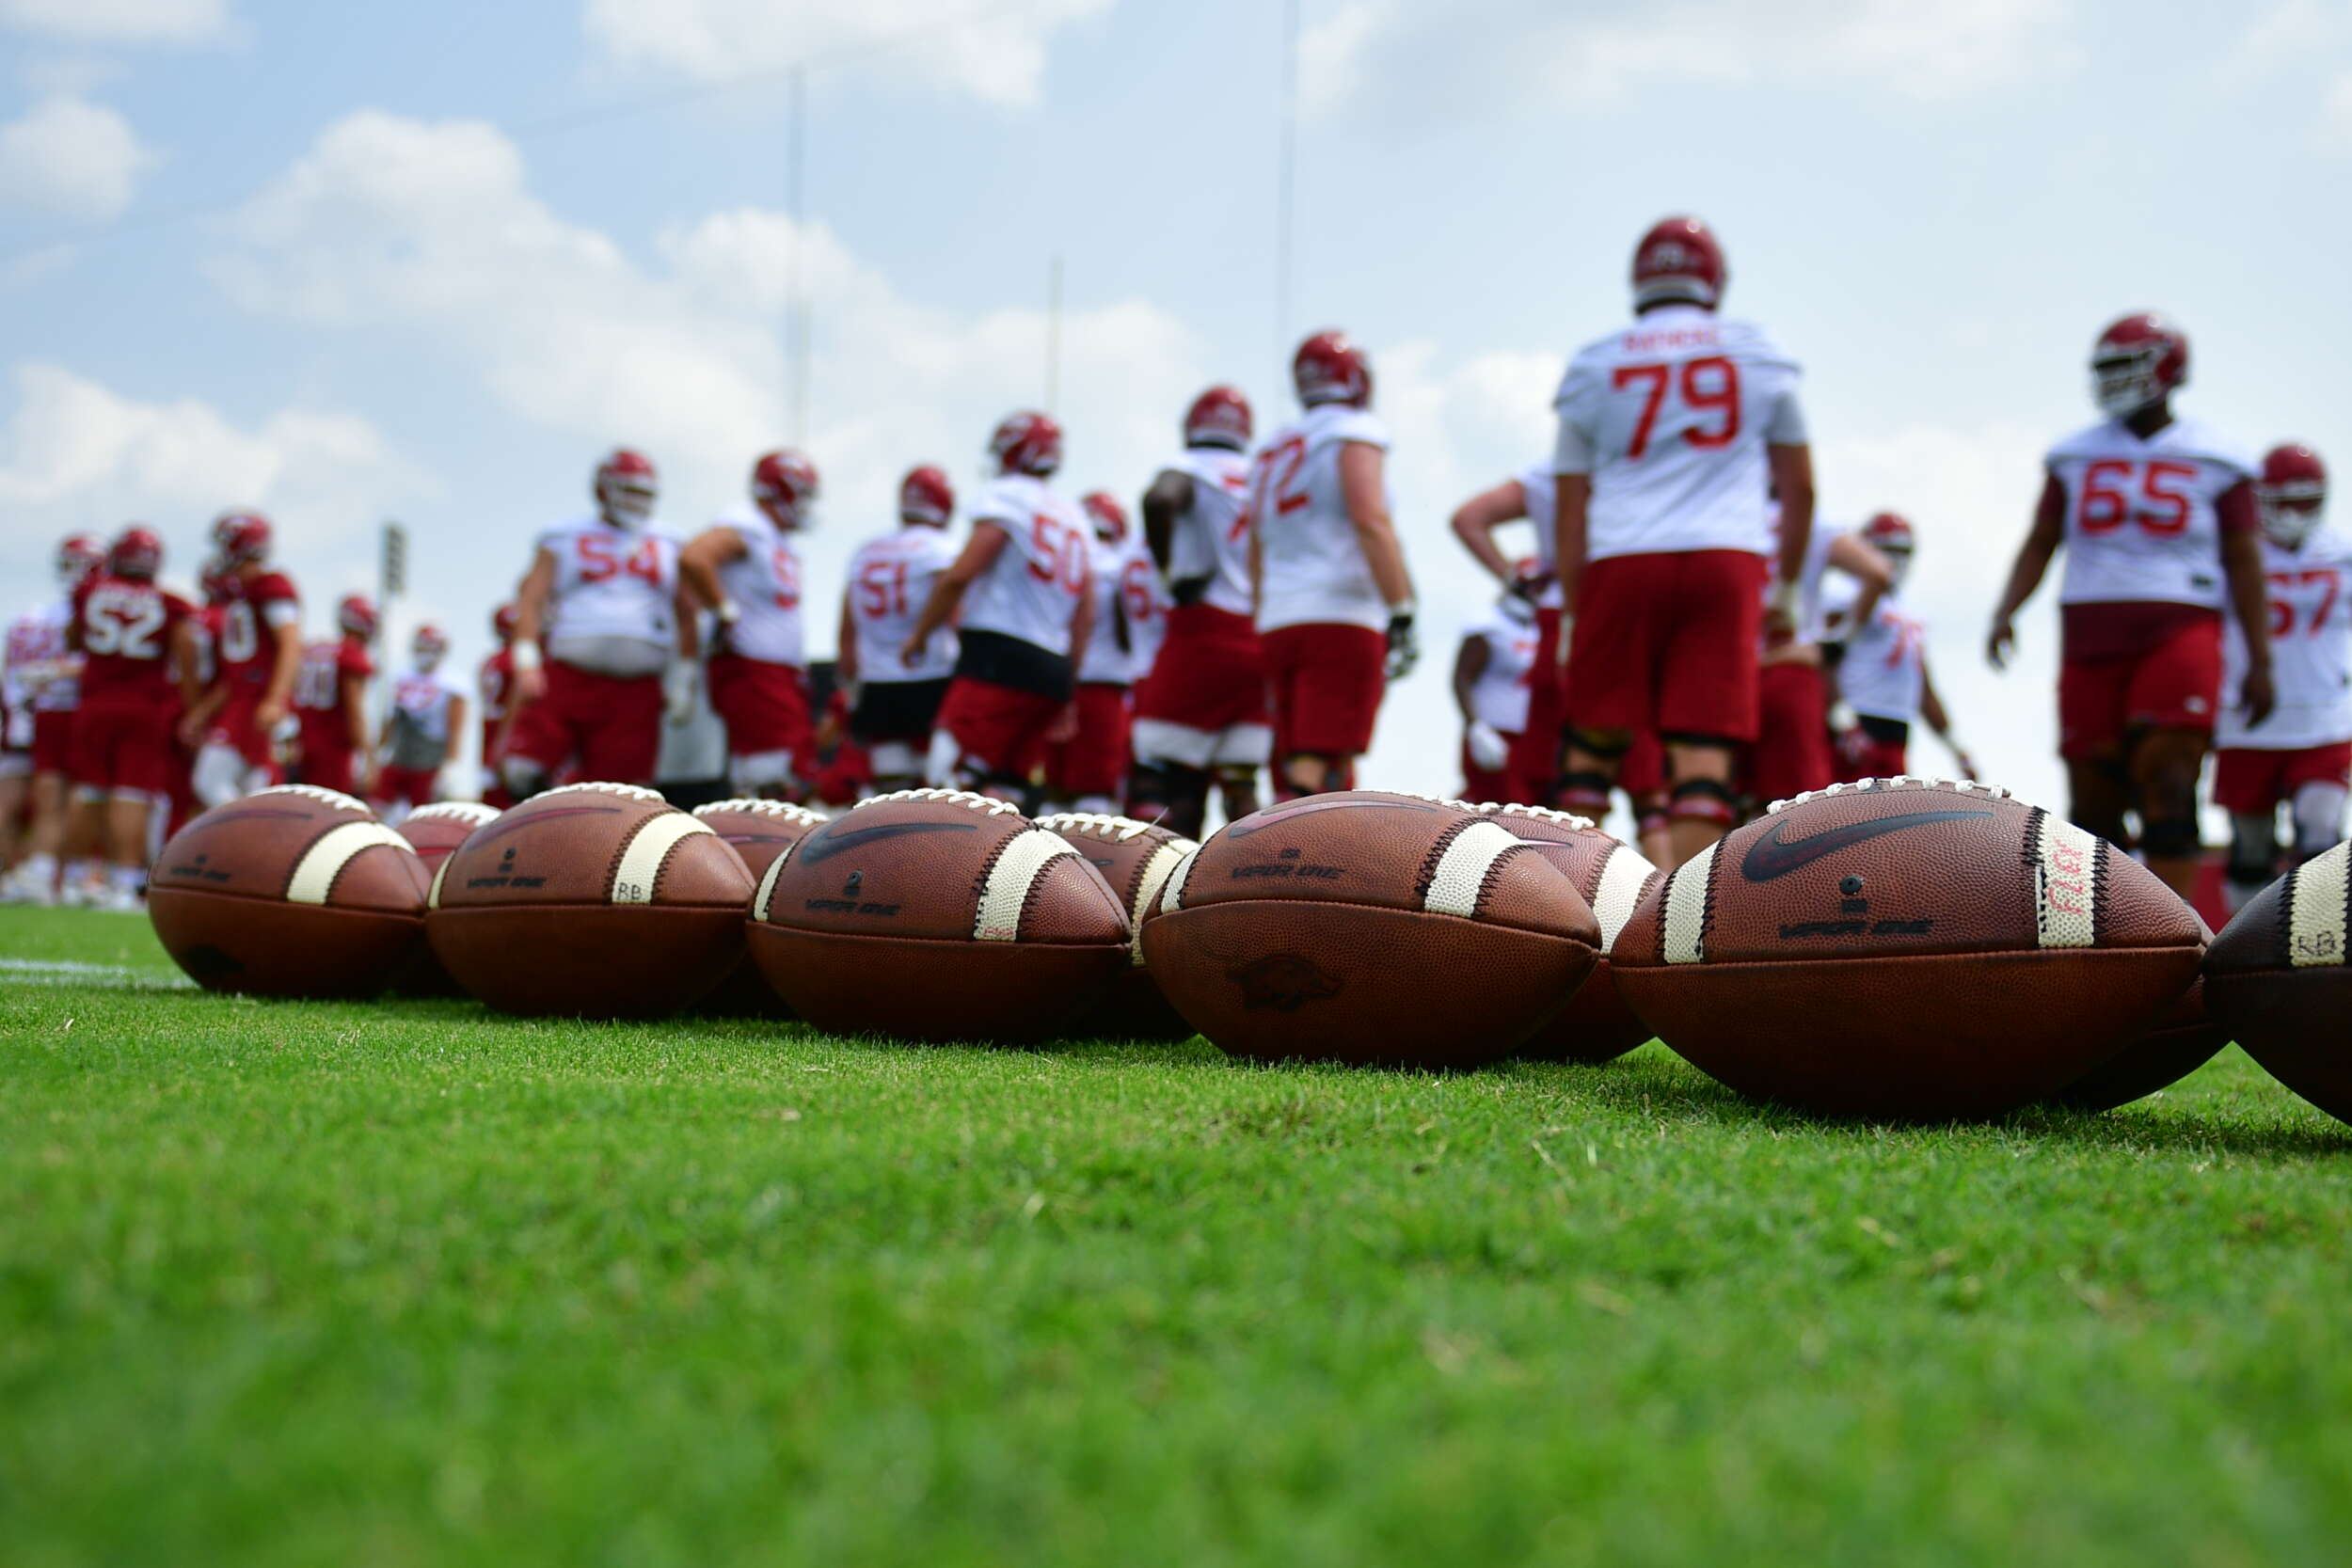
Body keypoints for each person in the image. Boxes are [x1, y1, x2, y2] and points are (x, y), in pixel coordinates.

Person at [1550, 215, 1813, 867]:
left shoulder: (1594, 361)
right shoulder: (1757, 349)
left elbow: (1571, 500)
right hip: (1726, 554)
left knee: (1593, 742)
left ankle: (1562, 902)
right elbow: (1800, 486)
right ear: (1714, 278)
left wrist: (1575, 605)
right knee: (1703, 750)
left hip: (1620, 555)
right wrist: (1784, 590)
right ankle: (1681, 923)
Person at [1987, 313, 2273, 900]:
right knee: (2093, 798)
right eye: (2107, 368)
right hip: (2089, 625)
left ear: (2167, 365)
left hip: (2181, 622)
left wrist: (2261, 661)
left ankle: (2181, 935)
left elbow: (2244, 561)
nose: (2114, 379)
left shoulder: (2220, 457)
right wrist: (2006, 608)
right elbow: (2043, 538)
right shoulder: (2073, 453)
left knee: (2169, 779)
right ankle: (2110, 938)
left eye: (2126, 364)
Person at [1450, 463, 1670, 857]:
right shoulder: (1655, 464)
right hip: (1640, 615)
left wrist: (1509, 576)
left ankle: (1562, 901)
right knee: (1656, 795)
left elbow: (1468, 518)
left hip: (1566, 619)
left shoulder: (1554, 473)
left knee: (1570, 785)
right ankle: (1681, 911)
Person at [1252, 331, 1417, 801]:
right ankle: (1294, 871)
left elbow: (1256, 545)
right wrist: (1401, 607)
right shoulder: (1352, 431)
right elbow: (1370, 519)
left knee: (1297, 762)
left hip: (1278, 616)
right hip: (1339, 612)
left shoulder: (1270, 450)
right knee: (1318, 764)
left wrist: (1262, 614)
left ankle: (1288, 866)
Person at [905, 412, 1093, 800]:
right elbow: (1085, 613)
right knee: (1008, 789)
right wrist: (1068, 686)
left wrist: (920, 635)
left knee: (947, 775)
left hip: (1000, 654)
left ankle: (944, 862)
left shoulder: (1005, 496)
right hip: (1052, 666)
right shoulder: (1076, 516)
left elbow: (960, 575)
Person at [1130, 386, 1267, 835]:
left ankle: (1170, 896)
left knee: (1173, 782)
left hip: (1203, 630)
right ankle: (1254, 888)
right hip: (1258, 633)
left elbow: (1159, 500)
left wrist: (1169, 571)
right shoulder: (1264, 475)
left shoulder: (1190, 468)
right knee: (1240, 782)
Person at [503, 449, 683, 793]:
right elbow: (532, 597)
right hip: (570, 673)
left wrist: (684, 676)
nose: (636, 501)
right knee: (524, 774)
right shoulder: (563, 534)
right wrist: (526, 660)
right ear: (603, 488)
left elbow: (686, 612)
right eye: (628, 490)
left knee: (624, 794)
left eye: (643, 493)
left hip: (638, 684)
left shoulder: (670, 541)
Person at [2215, 444, 2345, 910]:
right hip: (2248, 721)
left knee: (2321, 830)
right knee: (2251, 848)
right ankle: (2247, 953)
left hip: (2325, 717)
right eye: (2282, 501)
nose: (2293, 514)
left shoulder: (2342, 555)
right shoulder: (2229, 556)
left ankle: (2325, 946)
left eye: (2305, 500)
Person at [67, 527, 199, 911]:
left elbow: (75, 639)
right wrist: (191, 708)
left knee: (88, 790)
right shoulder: (170, 603)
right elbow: (184, 653)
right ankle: (123, 881)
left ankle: (77, 877)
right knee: (132, 794)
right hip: (144, 707)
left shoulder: (90, 591)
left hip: (94, 703)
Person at [677, 450, 818, 800]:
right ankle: (761, 852)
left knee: (778, 772)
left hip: (771, 671)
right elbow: (695, 558)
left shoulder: (773, 536)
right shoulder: (747, 523)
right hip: (753, 668)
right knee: (770, 778)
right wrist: (723, 610)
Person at [1748, 509, 1894, 810]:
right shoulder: (1816, 526)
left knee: (1708, 792)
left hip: (1728, 672)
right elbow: (1878, 572)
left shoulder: (1727, 514)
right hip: (1790, 671)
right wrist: (1835, 646)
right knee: (1801, 808)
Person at [1821, 514, 1974, 782]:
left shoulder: (1908, 612)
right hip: (1856, 724)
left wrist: (1954, 746)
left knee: (1891, 818)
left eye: (1903, 551)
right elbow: (1826, 657)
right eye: (1888, 550)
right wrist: (1836, 712)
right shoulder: (1846, 596)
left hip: (1897, 731)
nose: (1896, 560)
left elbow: (1922, 685)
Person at [1037, 491, 1160, 815]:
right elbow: (1130, 631)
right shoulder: (1121, 564)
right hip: (1105, 686)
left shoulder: (1063, 560)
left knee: (1053, 793)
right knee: (1096, 797)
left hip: (1053, 681)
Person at [839, 465, 960, 796]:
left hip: (878, 683)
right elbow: (955, 613)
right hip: (930, 675)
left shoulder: (865, 552)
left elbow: (847, 634)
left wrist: (849, 688)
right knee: (941, 788)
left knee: (891, 788)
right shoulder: (939, 548)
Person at [0, 534, 103, 904]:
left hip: (67, 714)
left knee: (76, 798)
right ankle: (46, 872)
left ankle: (71, 873)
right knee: (57, 798)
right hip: (52, 714)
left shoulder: (37, 617)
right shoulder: (36, 618)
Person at [183, 512, 302, 806]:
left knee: (212, 781)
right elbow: (235, 671)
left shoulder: (269, 585)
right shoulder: (240, 592)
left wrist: (276, 698)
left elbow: (290, 643)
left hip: (257, 699)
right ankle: (251, 846)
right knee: (248, 789)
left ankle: (252, 844)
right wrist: (201, 713)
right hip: (241, 698)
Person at [1453, 560, 1546, 803]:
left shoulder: (1545, 628)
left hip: (1535, 737)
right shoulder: (1489, 624)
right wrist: (1476, 726)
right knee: (1499, 810)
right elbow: (1462, 677)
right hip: (1497, 733)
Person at [373, 624, 467, 822]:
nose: (427, 654)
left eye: (432, 649)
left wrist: (451, 765)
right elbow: (389, 720)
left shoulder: (452, 683)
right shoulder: (399, 676)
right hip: (398, 755)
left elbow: (455, 727)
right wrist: (375, 754)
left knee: (422, 818)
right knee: (375, 812)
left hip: (429, 759)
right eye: (423, 648)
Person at [291, 594, 378, 798]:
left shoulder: (313, 648)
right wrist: (368, 756)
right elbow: (354, 710)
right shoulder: (351, 654)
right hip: (333, 749)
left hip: (303, 743)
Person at [478, 603, 522, 807]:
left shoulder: (489, 661)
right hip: (509, 729)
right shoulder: (518, 660)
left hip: (490, 727)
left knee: (491, 789)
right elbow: (520, 698)